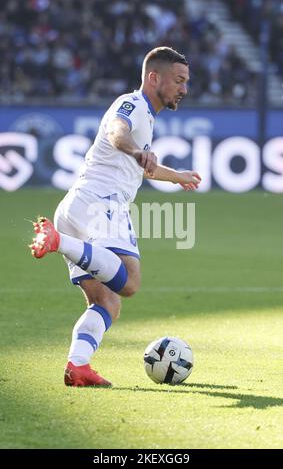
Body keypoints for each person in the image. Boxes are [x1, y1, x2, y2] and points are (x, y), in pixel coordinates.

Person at [30, 47, 201, 387]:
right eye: (179, 81)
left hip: (75, 205)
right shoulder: (133, 105)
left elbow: (140, 164)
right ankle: (58, 241)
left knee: (106, 301)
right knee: (131, 283)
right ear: (154, 77)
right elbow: (117, 133)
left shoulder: (146, 117)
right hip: (101, 202)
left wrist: (176, 175)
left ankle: (78, 366)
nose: (184, 89)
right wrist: (138, 151)